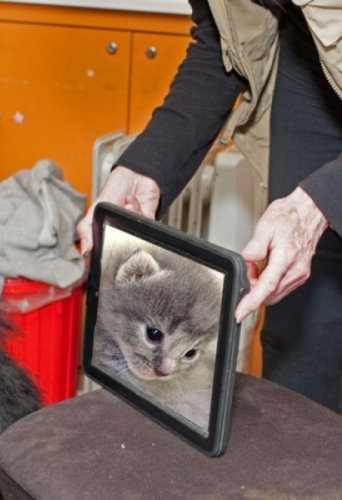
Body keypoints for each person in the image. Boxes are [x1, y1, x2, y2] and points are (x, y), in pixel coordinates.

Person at [77, 0, 342, 412]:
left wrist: (322, 199)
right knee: (302, 350)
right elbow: (220, 45)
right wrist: (145, 165)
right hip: (313, 66)